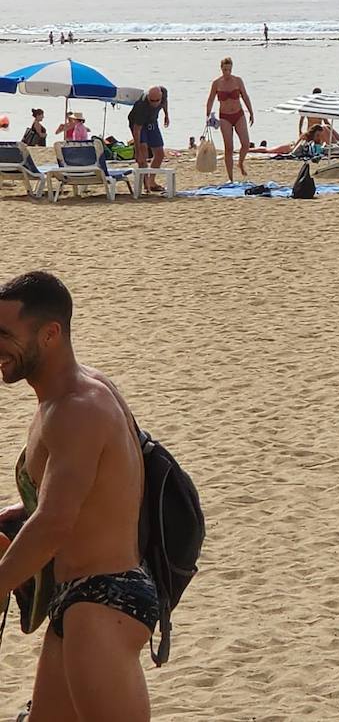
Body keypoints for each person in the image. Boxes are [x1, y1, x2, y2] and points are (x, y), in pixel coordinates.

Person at [0, 271, 158, 722]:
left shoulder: (76, 409)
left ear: (50, 334)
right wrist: (15, 514)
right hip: (80, 599)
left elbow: (54, 522)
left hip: (105, 601)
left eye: (5, 334)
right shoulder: (67, 397)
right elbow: (91, 494)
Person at [206, 57, 256, 182]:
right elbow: (211, 99)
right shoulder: (217, 83)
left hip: (238, 114)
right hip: (225, 116)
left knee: (245, 143)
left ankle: (240, 163)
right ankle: (230, 178)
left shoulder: (238, 81)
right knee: (228, 147)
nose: (227, 72)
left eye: (229, 69)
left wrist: (251, 112)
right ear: (221, 69)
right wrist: (208, 115)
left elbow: (245, 96)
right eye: (225, 70)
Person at [128, 86, 170, 194]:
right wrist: (137, 152)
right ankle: (146, 184)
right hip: (138, 124)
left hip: (152, 121)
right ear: (148, 97)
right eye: (152, 101)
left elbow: (165, 102)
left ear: (161, 96)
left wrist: (166, 115)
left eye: (157, 100)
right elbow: (137, 131)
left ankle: (152, 181)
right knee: (143, 153)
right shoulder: (142, 106)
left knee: (160, 153)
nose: (155, 103)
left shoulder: (163, 93)